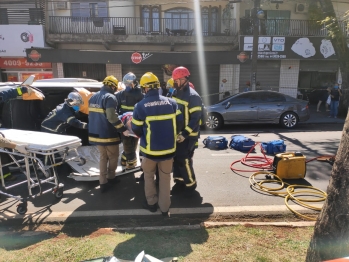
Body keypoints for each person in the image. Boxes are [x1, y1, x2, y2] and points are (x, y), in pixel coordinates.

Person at [131, 72, 183, 216]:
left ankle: (151, 204)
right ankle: (165, 208)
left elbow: (135, 128)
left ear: (145, 88)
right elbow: (179, 123)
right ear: (157, 86)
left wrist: (144, 136)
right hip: (168, 150)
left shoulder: (140, 106)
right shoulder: (172, 103)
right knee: (166, 179)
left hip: (149, 151)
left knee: (149, 177)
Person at [88, 75, 129, 193]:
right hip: (108, 134)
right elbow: (111, 117)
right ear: (112, 86)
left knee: (102, 157)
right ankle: (111, 178)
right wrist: (122, 129)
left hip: (96, 134)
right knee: (113, 157)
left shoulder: (93, 97)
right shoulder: (111, 97)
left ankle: (102, 182)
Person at [171, 66, 203, 197]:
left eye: (176, 80)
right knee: (177, 159)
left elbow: (195, 119)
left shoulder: (193, 96)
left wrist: (185, 134)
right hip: (177, 135)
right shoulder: (176, 92)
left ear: (183, 79)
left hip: (188, 136)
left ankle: (190, 185)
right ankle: (179, 182)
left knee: (184, 160)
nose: (174, 82)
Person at [115, 72, 144, 169]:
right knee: (127, 144)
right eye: (126, 84)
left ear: (135, 83)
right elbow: (116, 109)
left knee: (133, 144)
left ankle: (128, 161)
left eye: (129, 84)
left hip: (136, 124)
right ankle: (128, 162)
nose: (127, 86)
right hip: (124, 125)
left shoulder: (141, 95)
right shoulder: (120, 95)